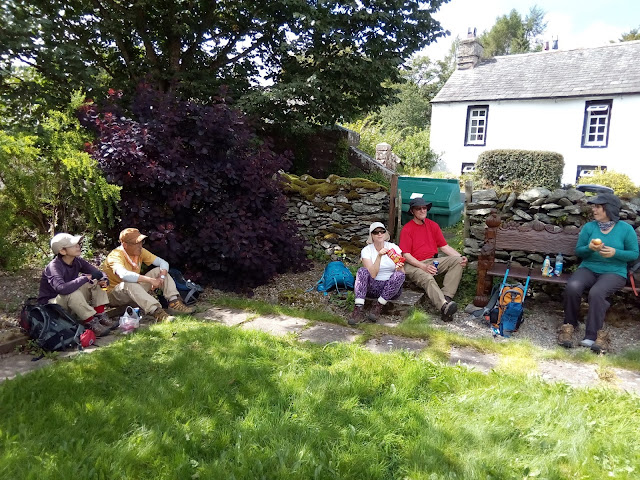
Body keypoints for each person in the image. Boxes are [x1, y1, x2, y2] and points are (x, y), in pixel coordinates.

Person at [558, 193, 638, 353]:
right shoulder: (590, 227)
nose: (594, 209)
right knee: (573, 287)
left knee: (597, 292)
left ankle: (592, 335)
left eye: (598, 207)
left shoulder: (626, 229)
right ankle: (569, 326)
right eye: (594, 206)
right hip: (589, 267)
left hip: (615, 272)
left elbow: (634, 254)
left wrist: (615, 253)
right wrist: (589, 248)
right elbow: (579, 251)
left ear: (609, 209)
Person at [103, 228, 195, 322]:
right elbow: (124, 275)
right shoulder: (115, 256)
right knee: (129, 284)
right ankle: (157, 312)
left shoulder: (139, 251)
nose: (140, 246)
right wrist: (150, 280)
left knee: (158, 271)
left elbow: (163, 263)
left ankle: (174, 303)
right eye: (136, 243)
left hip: (134, 289)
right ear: (125, 245)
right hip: (114, 295)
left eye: (141, 242)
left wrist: (161, 277)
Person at [399, 197, 468, 321]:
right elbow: (406, 255)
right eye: (418, 208)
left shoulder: (433, 225)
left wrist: (461, 257)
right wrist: (423, 267)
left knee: (457, 261)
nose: (422, 210)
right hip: (412, 264)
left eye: (424, 208)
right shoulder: (407, 229)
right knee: (427, 277)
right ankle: (443, 307)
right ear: (412, 211)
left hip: (431, 260)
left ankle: (446, 298)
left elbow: (444, 247)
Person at [38, 233, 114, 337]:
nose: (78, 246)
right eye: (73, 245)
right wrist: (85, 278)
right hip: (53, 307)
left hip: (70, 301)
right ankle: (90, 322)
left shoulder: (77, 261)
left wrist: (103, 279)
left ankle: (100, 315)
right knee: (72, 292)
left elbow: (97, 273)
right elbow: (61, 288)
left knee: (96, 282)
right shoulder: (53, 267)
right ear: (62, 251)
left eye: (78, 244)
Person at [349, 222, 405, 325]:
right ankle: (358, 308)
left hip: (390, 289)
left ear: (385, 233)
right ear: (371, 235)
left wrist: (400, 268)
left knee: (400, 275)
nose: (379, 234)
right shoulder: (367, 250)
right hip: (373, 286)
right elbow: (372, 274)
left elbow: (402, 274)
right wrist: (379, 256)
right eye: (376, 232)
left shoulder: (394, 248)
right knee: (362, 271)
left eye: (382, 231)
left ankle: (378, 306)